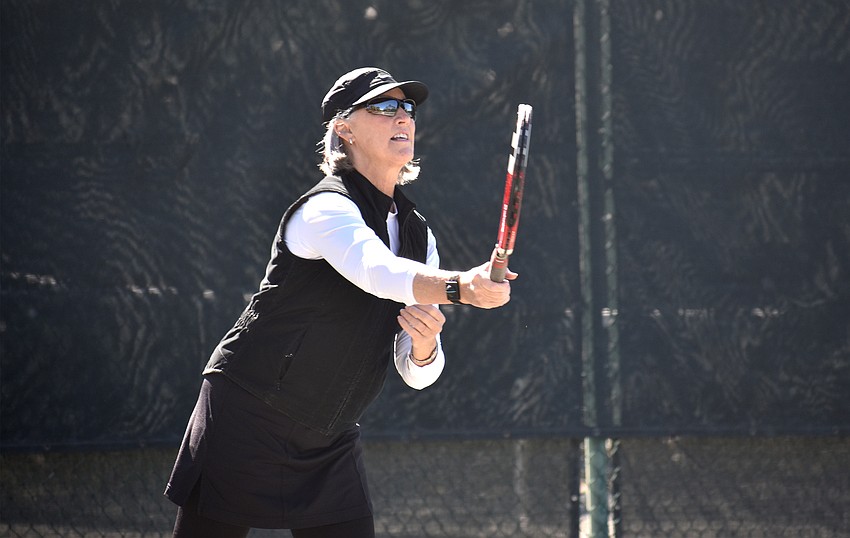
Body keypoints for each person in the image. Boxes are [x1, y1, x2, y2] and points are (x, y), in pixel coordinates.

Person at [164, 67, 518, 538]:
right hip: (248, 411)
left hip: (329, 436)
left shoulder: (419, 235)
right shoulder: (325, 208)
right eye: (384, 107)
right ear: (344, 129)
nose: (403, 118)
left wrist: (424, 347)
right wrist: (463, 288)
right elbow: (377, 272)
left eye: (407, 108)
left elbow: (417, 374)